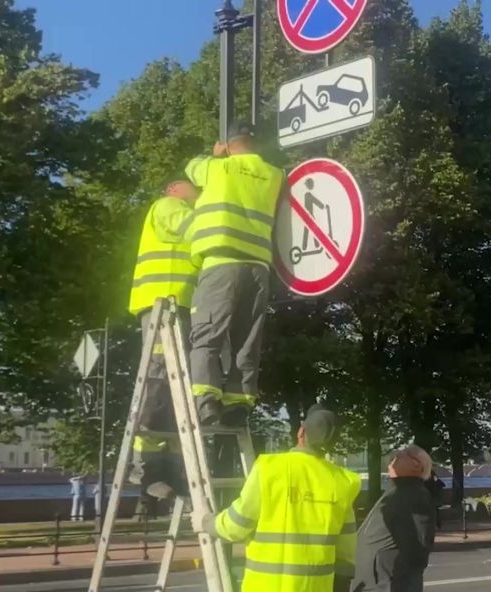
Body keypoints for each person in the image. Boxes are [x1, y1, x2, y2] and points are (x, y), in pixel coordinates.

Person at [191, 404, 361, 592]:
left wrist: (206, 522)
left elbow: (236, 525)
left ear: (301, 432)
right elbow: (346, 550)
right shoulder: (343, 481)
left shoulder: (269, 468)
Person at [185, 121, 285, 427]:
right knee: (247, 339)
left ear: (229, 145)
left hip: (221, 261)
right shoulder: (275, 175)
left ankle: (206, 402)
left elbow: (192, 168)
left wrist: (216, 155)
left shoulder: (218, 168)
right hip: (258, 267)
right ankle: (239, 404)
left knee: (208, 334)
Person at [128, 180, 200, 500]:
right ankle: (145, 470)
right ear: (173, 188)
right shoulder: (169, 207)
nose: (197, 193)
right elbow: (195, 230)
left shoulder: (180, 210)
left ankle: (172, 470)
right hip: (161, 306)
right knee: (158, 380)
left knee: (177, 391)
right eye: (192, 188)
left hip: (175, 307)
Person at [352, 446, 435, 592]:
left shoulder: (414, 496)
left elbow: (416, 553)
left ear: (416, 466)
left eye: (404, 453)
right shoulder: (399, 491)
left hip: (385, 585)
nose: (397, 453)